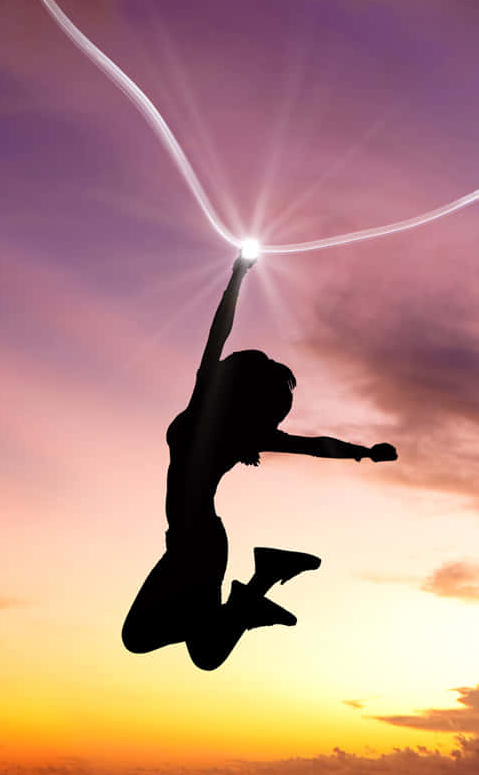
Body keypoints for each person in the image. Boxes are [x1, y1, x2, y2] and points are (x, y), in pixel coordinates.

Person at [121, 251, 398, 670]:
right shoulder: (230, 427)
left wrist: (237, 276)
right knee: (206, 652)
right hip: (193, 540)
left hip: (196, 543)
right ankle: (261, 582)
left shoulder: (210, 417)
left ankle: (257, 592)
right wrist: (365, 453)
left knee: (142, 638)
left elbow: (219, 337)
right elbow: (312, 444)